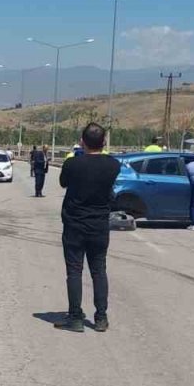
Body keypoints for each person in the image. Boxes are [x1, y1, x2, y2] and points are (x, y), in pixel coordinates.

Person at [55, 123, 120, 333]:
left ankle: (75, 317)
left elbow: (63, 183)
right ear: (103, 142)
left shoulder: (72, 164)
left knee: (74, 271)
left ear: (82, 141)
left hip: (74, 223)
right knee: (99, 270)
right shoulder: (113, 164)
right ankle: (101, 318)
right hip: (99, 224)